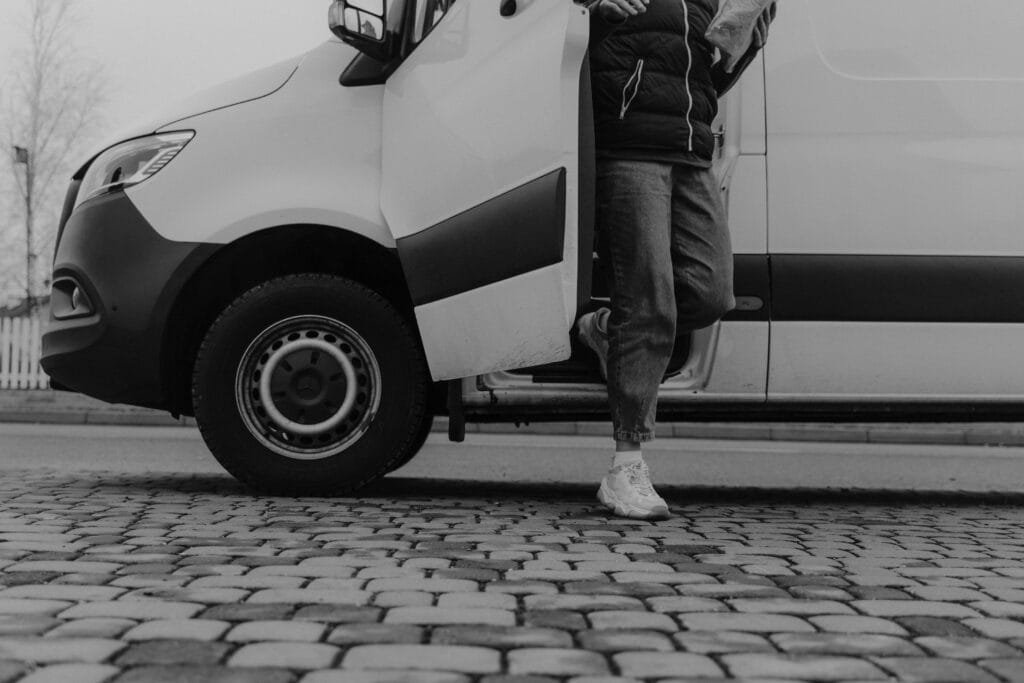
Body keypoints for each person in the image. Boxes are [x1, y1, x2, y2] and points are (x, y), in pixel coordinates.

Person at [579, 0, 774, 520]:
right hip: (628, 142)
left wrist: (752, 34)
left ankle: (605, 331)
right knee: (648, 299)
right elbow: (539, 23)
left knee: (711, 292)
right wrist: (590, 5)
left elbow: (713, 74)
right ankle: (626, 467)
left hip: (690, 147)